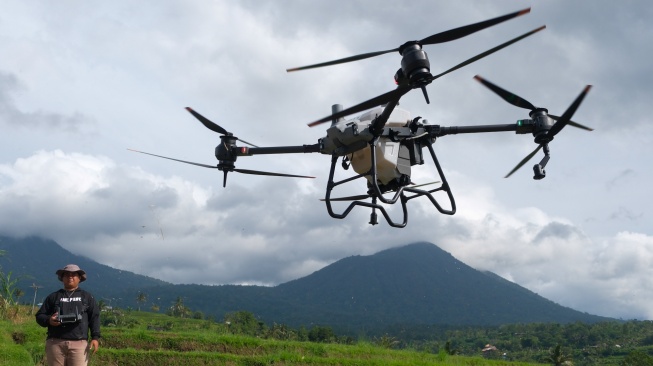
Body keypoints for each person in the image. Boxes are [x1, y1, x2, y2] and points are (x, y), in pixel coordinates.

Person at [35, 264, 101, 366]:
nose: (70, 277)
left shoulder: (87, 297)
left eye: (74, 274)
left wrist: (95, 337)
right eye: (67, 274)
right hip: (55, 343)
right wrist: (49, 320)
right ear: (62, 278)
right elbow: (40, 316)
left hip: (79, 344)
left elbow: (94, 317)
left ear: (79, 278)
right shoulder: (53, 297)